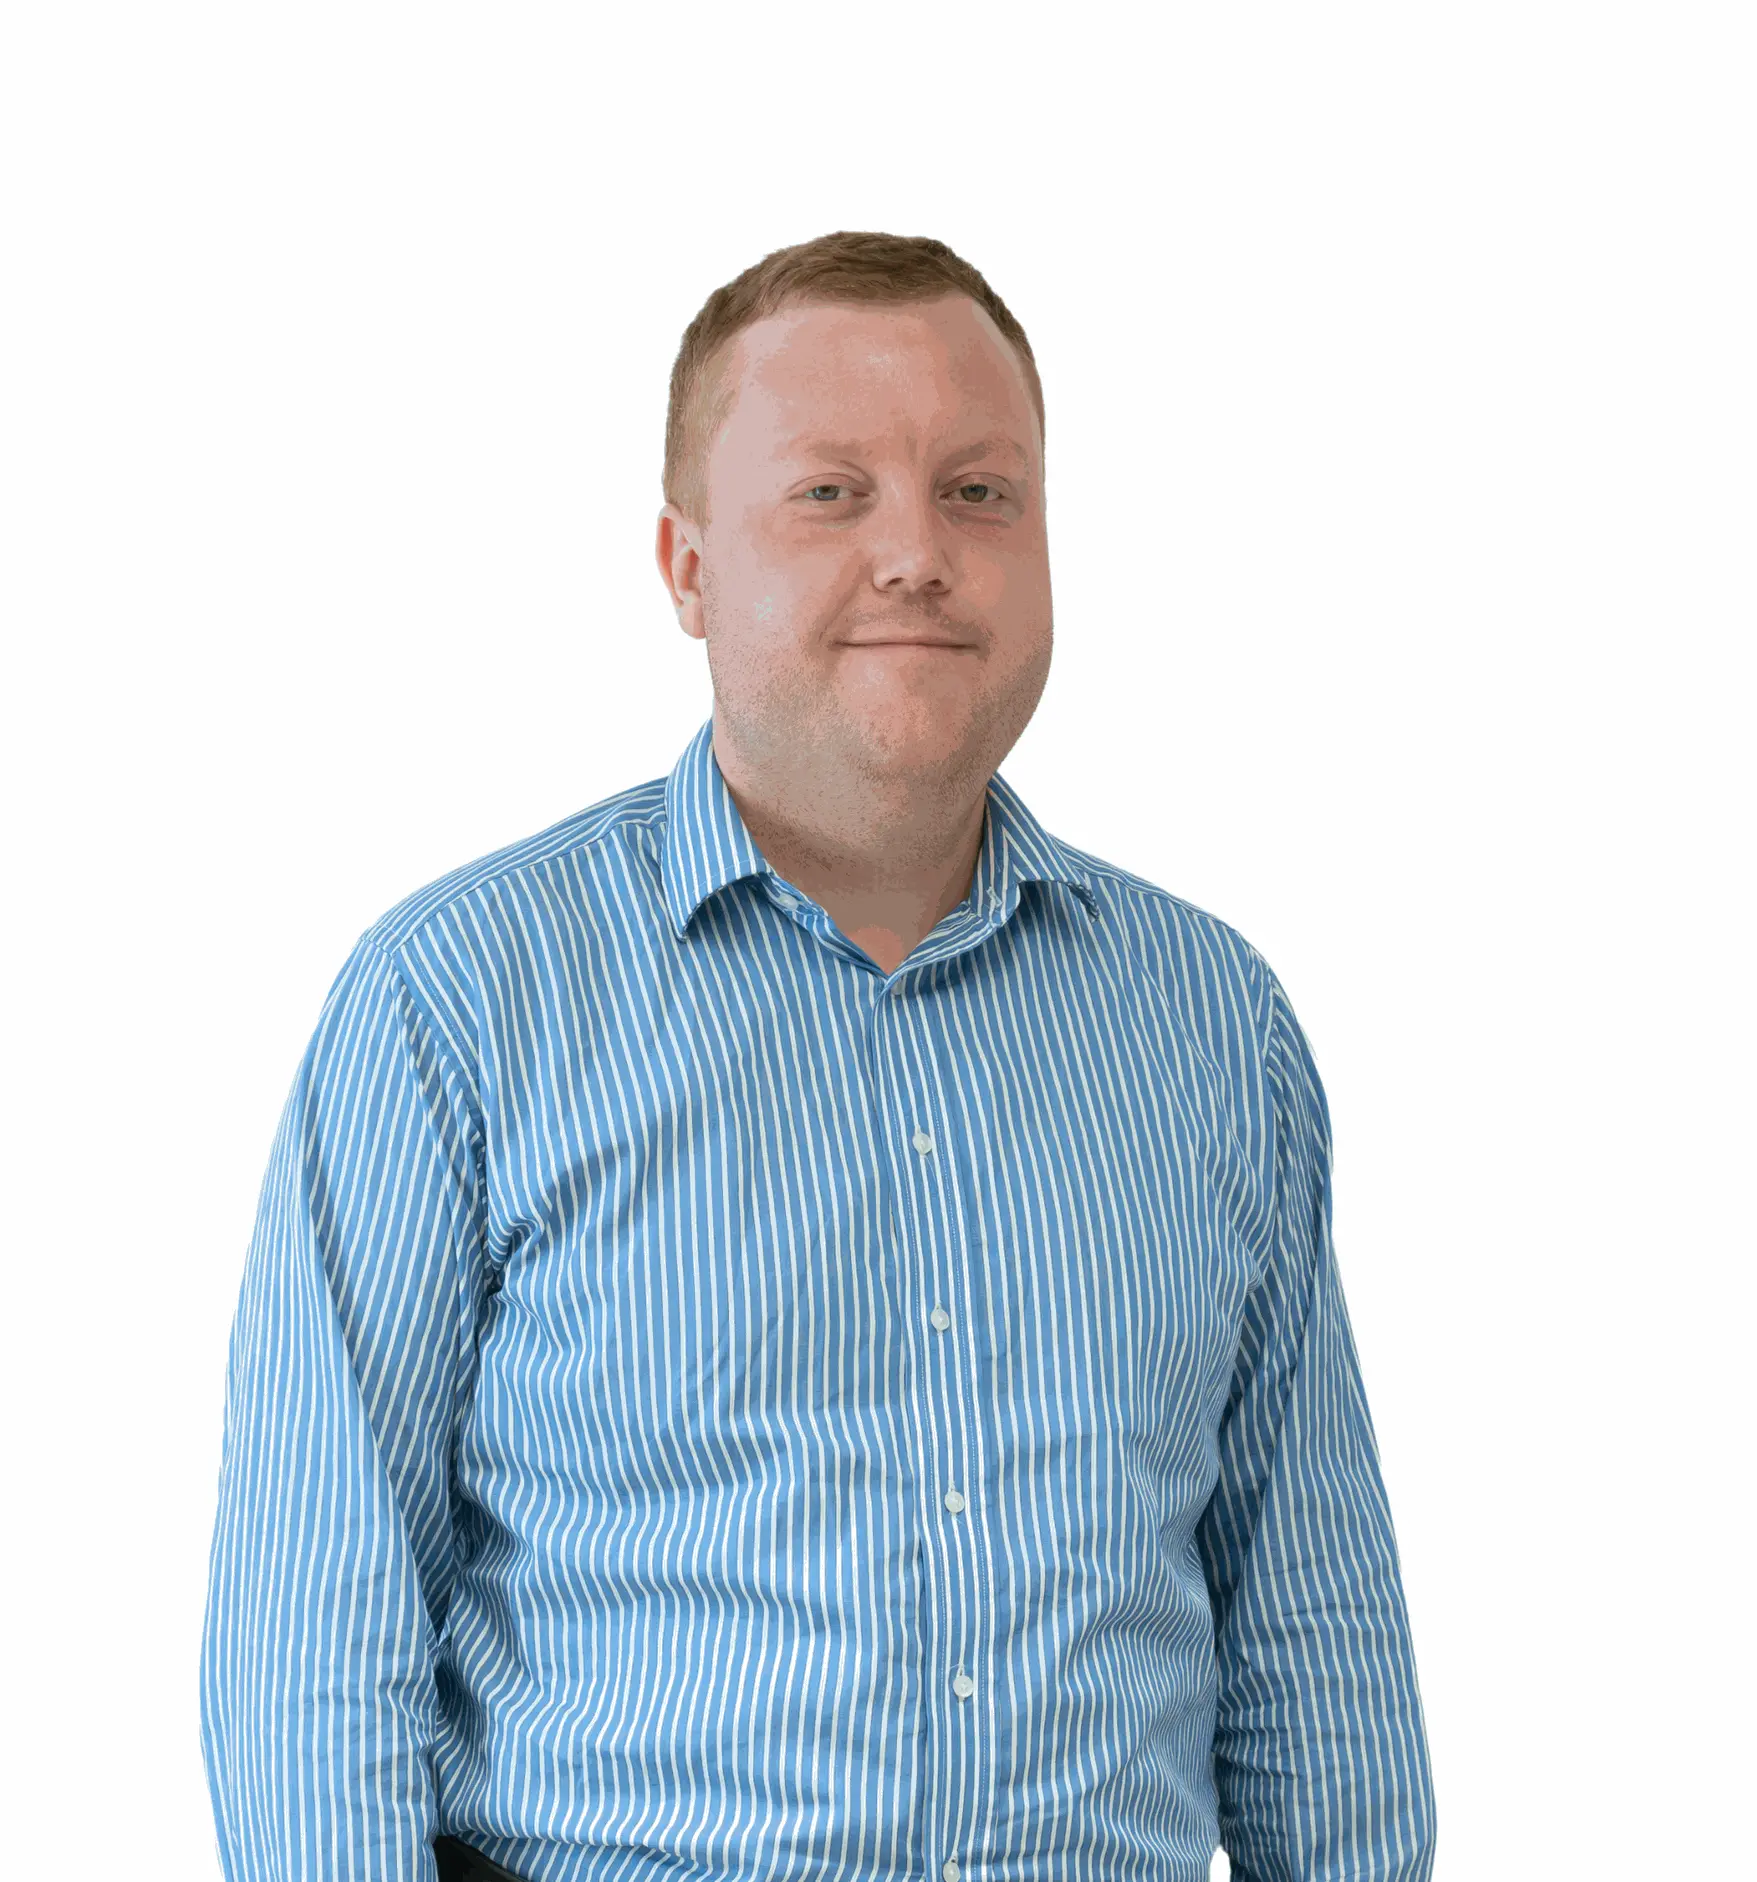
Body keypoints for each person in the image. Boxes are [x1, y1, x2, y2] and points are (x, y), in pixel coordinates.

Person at [200, 230, 1437, 1882]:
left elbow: (1313, 1635)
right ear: (687, 566)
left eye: (979, 492)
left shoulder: (1216, 1030)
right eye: (830, 493)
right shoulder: (459, 1005)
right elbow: (311, 1647)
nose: (917, 553)